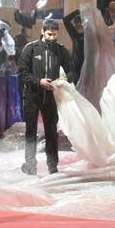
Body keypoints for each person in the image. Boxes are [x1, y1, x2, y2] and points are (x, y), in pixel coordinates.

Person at [17, 17, 73, 175]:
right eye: (49, 34)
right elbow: (22, 73)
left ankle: (53, 167)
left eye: (55, 34)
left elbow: (72, 68)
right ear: (42, 32)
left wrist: (66, 78)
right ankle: (30, 166)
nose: (52, 38)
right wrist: (38, 81)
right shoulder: (31, 48)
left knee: (51, 131)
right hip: (32, 95)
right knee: (31, 131)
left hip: (50, 96)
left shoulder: (60, 49)